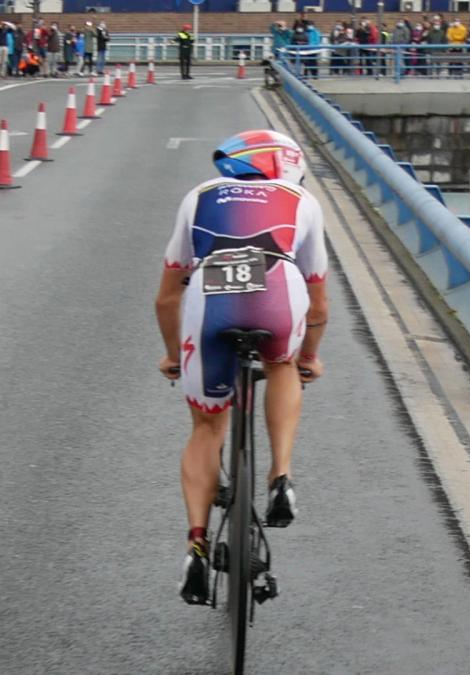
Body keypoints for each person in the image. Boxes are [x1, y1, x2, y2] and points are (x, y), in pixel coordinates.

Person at [157, 130, 329, 605]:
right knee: (282, 366)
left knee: (206, 427)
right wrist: (309, 356)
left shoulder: (198, 196)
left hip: (208, 300)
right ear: (287, 166)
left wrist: (174, 355)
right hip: (279, 292)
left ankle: (196, 542)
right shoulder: (302, 200)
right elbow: (317, 302)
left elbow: (167, 296)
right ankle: (280, 477)